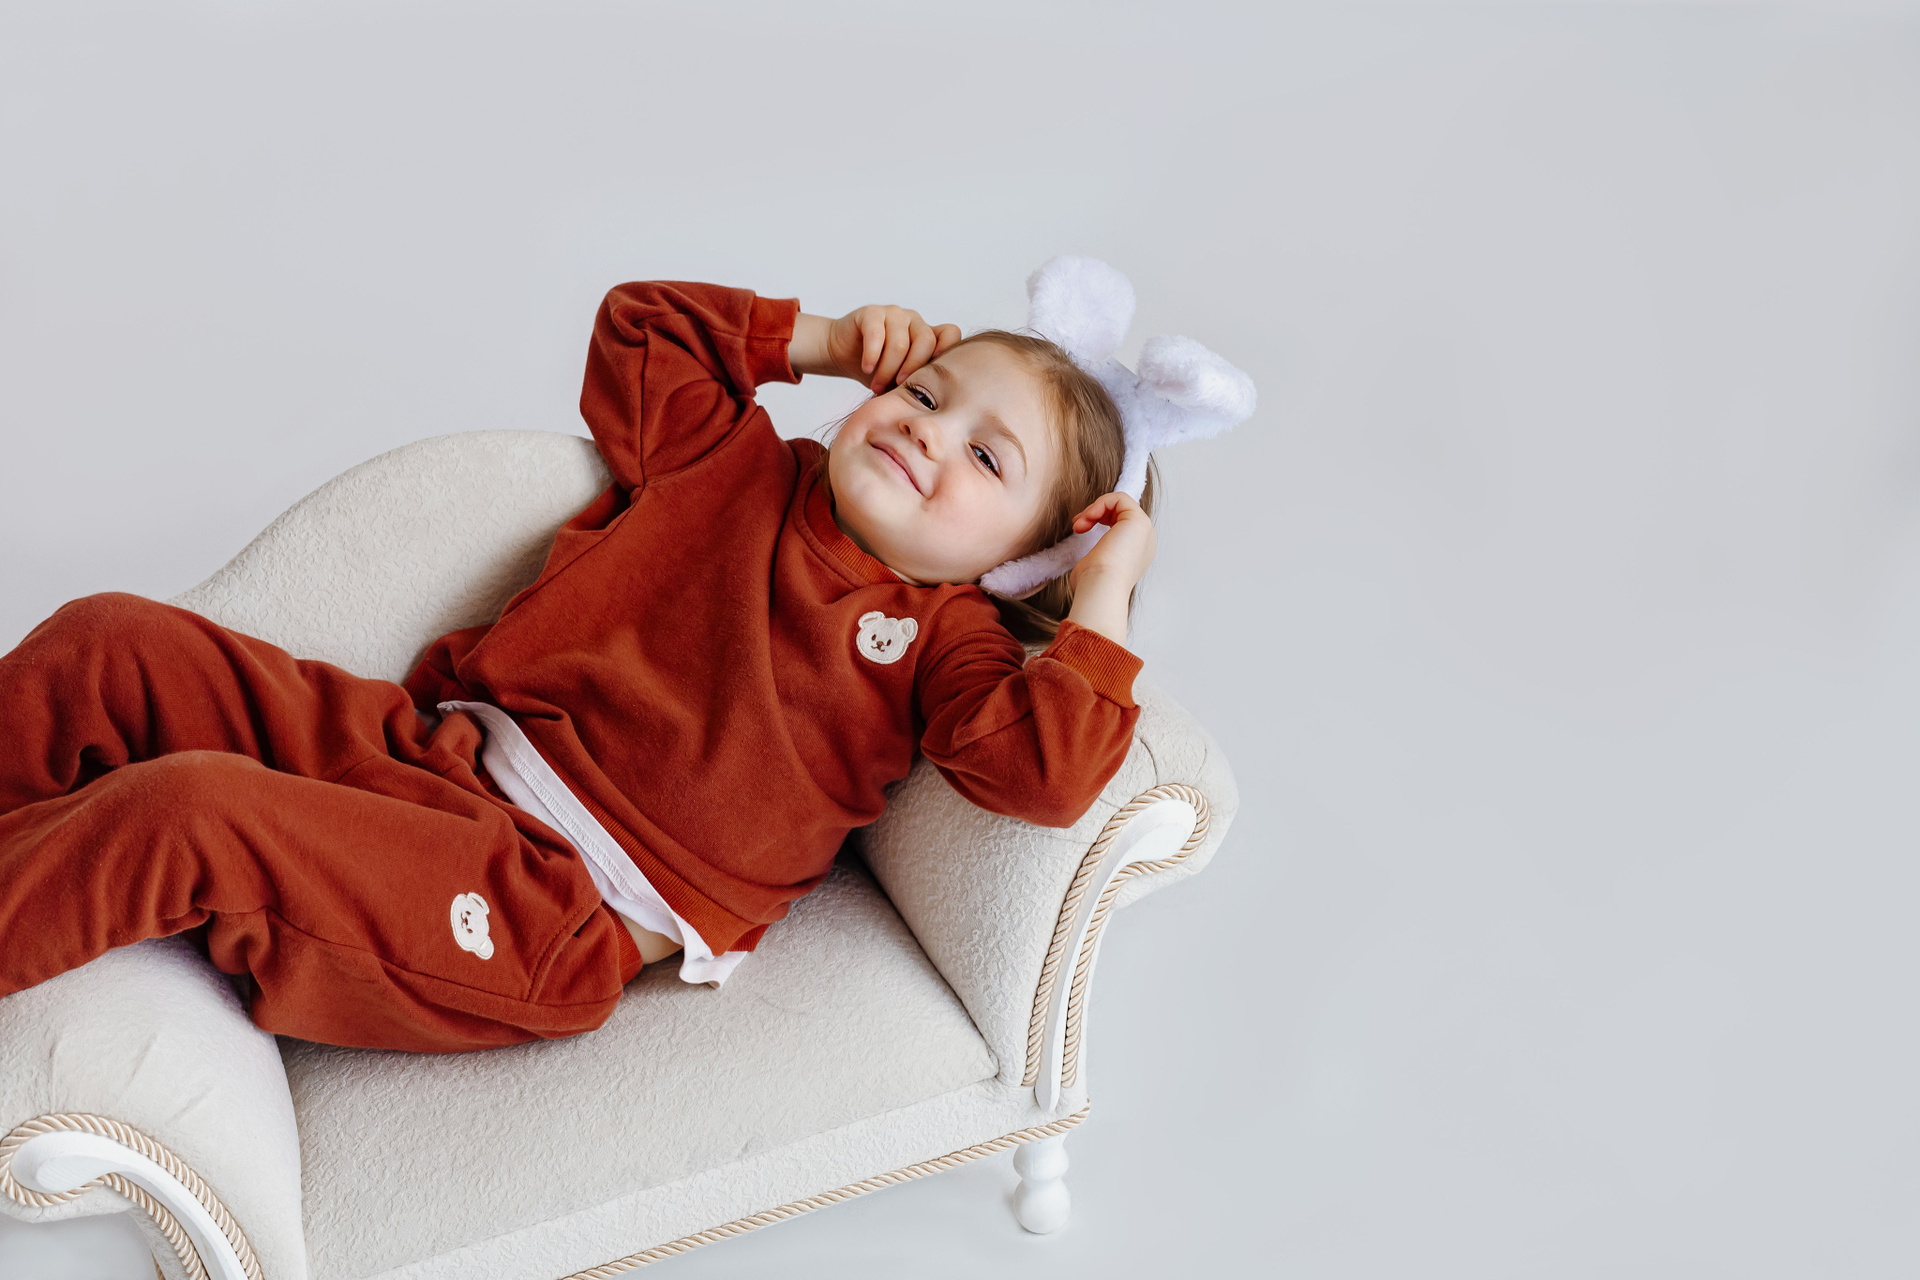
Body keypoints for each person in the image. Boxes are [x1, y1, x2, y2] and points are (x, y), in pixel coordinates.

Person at [0, 281, 1156, 1052]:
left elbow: (1045, 773)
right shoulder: (733, 462)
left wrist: (1103, 589)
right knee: (111, 638)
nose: (927, 429)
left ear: (1023, 560)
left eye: (986, 457)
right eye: (923, 390)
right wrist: (826, 340)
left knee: (188, 811)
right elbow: (638, 328)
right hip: (421, 752)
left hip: (545, 905)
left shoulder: (950, 642)